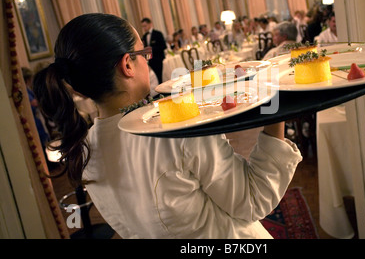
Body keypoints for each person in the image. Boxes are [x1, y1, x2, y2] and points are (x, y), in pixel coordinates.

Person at [32, 13, 302, 239]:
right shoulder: (177, 130)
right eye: (143, 53)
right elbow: (253, 200)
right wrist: (275, 114)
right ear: (127, 64)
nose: (147, 59)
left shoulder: (84, 148)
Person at [141, 17, 166, 84]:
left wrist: (152, 49)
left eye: (145, 26)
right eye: (143, 26)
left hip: (159, 60)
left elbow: (164, 46)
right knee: (154, 79)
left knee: (160, 78)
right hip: (150, 61)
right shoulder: (144, 36)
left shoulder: (158, 34)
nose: (144, 28)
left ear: (150, 24)